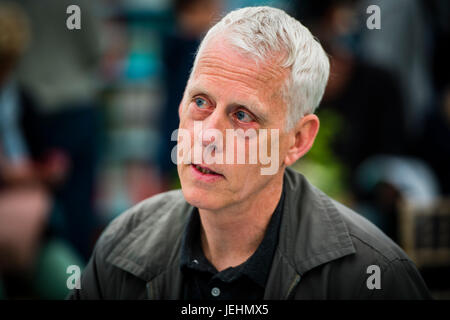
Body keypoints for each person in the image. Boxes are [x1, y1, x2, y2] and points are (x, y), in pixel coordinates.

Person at [69, 6, 431, 300]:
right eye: (200, 101)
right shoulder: (122, 247)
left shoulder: (375, 276)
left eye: (242, 116)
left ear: (297, 140)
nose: (208, 135)